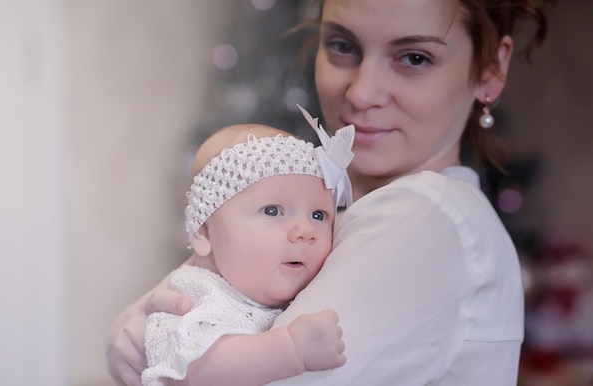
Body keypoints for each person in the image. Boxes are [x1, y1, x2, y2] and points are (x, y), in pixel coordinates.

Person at [107, 0, 554, 384]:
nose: (361, 93)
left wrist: (152, 342)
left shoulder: (427, 215)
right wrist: (154, 323)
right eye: (342, 46)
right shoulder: (344, 212)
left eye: (414, 58)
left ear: (491, 70)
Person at [141, 119, 354, 386]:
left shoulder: (291, 297)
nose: (305, 230)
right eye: (272, 210)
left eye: (318, 214)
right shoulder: (195, 294)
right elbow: (195, 369)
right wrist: (290, 349)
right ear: (205, 234)